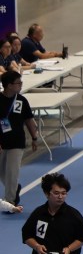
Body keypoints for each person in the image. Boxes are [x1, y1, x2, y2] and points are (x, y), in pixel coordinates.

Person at [0, 70, 40, 206]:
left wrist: (34, 138)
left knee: (12, 172)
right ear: (9, 85)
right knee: (2, 172)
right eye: (18, 83)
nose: (21, 85)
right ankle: (14, 187)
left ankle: (10, 202)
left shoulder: (22, 100)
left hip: (17, 141)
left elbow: (29, 120)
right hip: (1, 142)